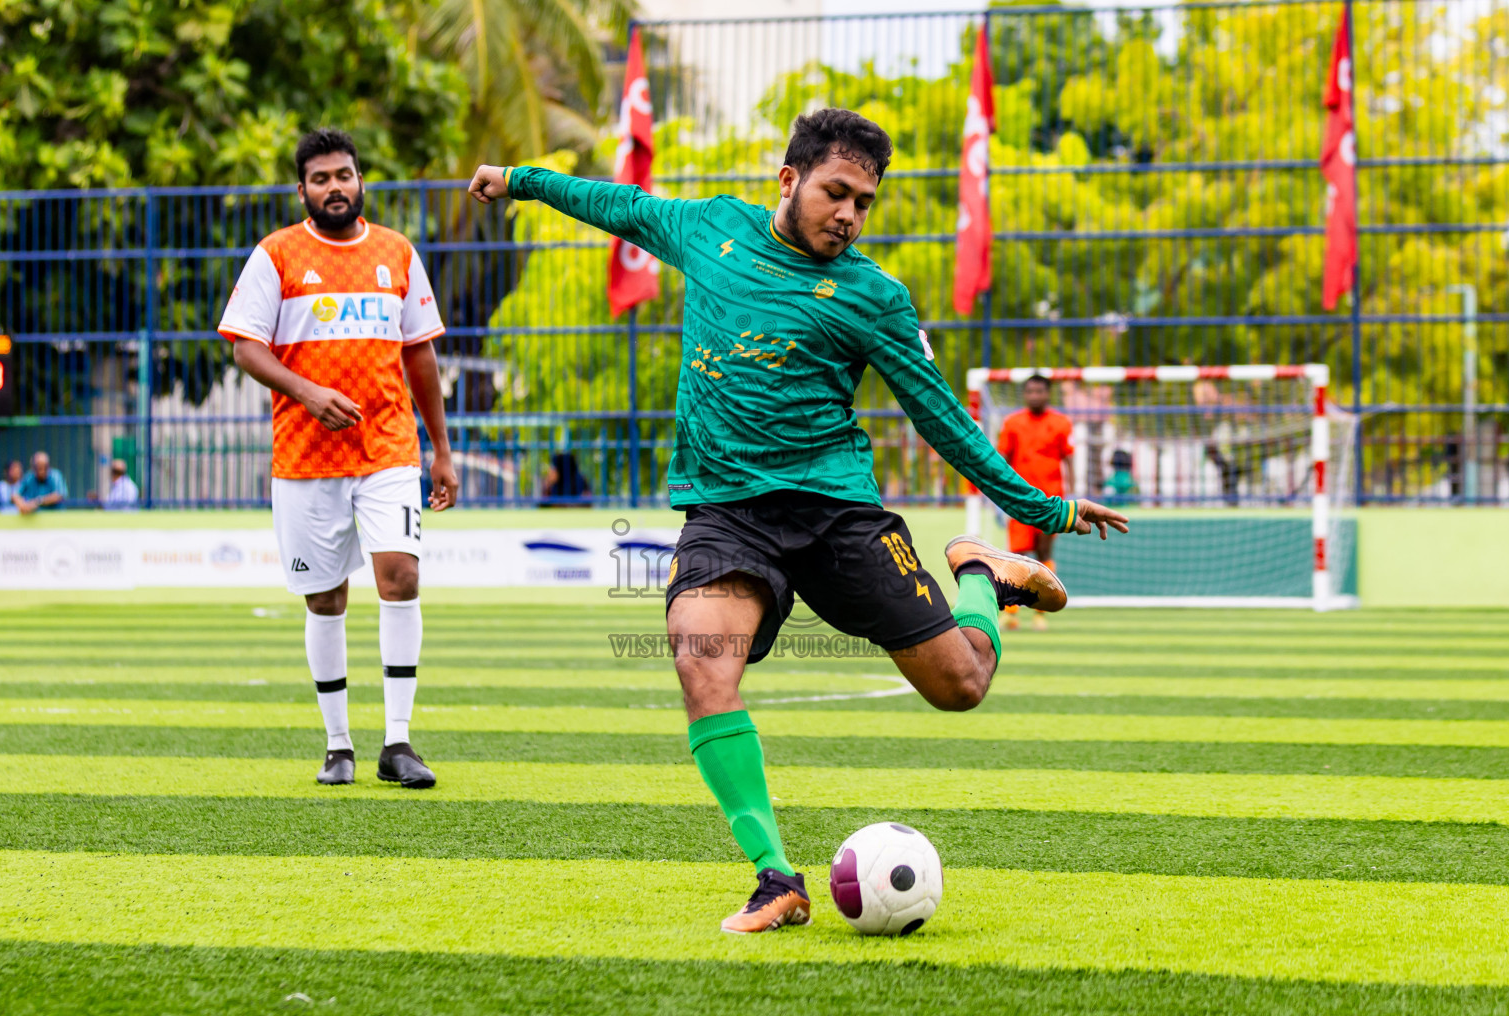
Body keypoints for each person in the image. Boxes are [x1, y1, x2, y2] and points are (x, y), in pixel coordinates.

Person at [469, 108, 1127, 933]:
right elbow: (620, 205)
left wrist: (1045, 509)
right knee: (700, 661)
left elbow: (942, 416)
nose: (849, 215)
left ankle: (980, 578)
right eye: (836, 193)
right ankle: (775, 878)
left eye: (864, 202)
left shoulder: (874, 298)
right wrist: (520, 181)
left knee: (962, 686)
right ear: (790, 180)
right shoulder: (712, 229)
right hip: (728, 515)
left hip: (837, 514)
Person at [220, 128, 459, 789]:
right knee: (325, 598)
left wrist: (441, 451)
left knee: (401, 579)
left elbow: (420, 353)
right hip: (305, 457)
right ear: (302, 190)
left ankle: (399, 742)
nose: (335, 187)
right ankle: (338, 744)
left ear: (361, 182)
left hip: (386, 448)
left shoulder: (397, 254)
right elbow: (245, 347)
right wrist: (306, 391)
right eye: (321, 178)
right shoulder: (277, 256)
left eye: (344, 175)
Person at [994, 375, 1074, 632]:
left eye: (1039, 391)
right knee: (1017, 556)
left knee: (1043, 555)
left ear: (1048, 394)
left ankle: (1040, 613)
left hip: (1051, 501)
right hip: (1019, 501)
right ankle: (1011, 612)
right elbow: (1002, 457)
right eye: (1030, 391)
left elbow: (1068, 458)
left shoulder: (1061, 423)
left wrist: (1070, 493)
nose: (1034, 396)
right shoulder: (1013, 423)